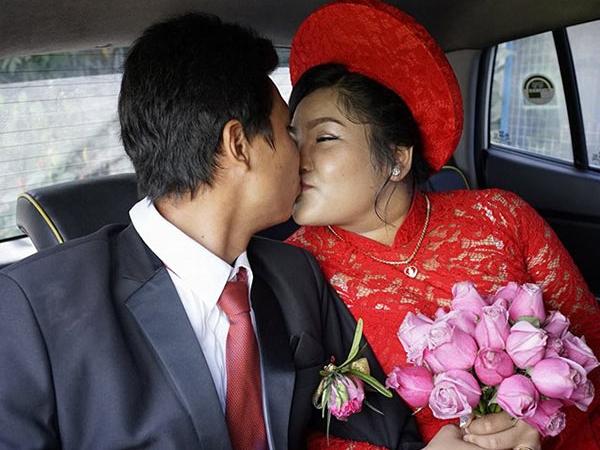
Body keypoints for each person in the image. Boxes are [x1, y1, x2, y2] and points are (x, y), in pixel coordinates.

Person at [0, 13, 431, 450]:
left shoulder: (296, 275)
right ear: (238, 145)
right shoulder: (31, 309)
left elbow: (388, 431)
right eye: (287, 133)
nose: (302, 158)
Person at [285, 1, 600, 450]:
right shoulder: (289, 268)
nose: (298, 159)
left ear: (396, 158)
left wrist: (543, 419)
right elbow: (288, 430)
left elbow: (592, 347)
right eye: (292, 140)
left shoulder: (500, 217)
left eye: (324, 137)